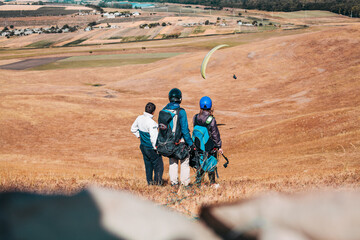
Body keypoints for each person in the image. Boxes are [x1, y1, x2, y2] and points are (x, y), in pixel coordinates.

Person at [159, 88, 194, 187]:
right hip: (180, 141)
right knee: (184, 161)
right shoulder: (181, 112)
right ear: (180, 98)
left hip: (167, 142)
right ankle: (185, 183)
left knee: (173, 162)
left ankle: (174, 183)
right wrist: (191, 144)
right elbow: (185, 130)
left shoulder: (164, 110)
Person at [131, 102, 163, 185]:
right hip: (151, 148)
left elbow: (133, 129)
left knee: (148, 165)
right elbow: (154, 138)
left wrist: (139, 136)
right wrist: (156, 148)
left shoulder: (139, 118)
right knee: (158, 166)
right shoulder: (151, 123)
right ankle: (158, 184)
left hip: (143, 146)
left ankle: (149, 183)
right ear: (153, 112)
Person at [193, 96, 223, 185]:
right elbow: (215, 134)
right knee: (211, 164)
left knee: (201, 165)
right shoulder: (211, 119)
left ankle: (198, 183)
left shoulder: (195, 117)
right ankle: (212, 183)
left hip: (198, 146)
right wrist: (219, 146)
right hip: (209, 146)